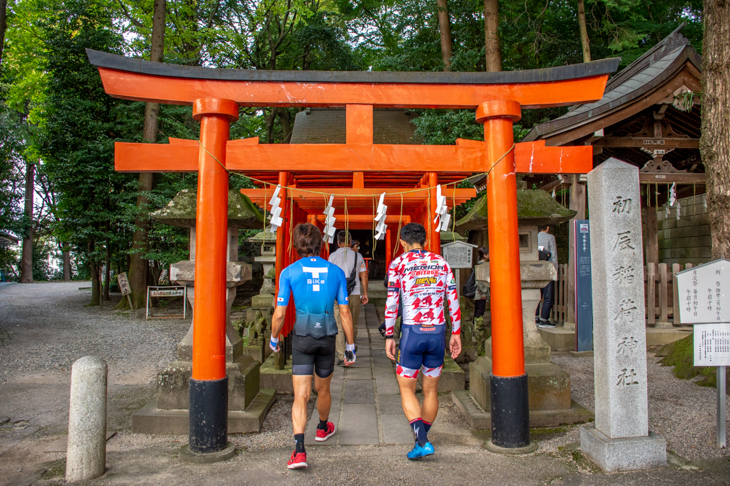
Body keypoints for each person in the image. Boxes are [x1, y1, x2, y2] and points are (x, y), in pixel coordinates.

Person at [269, 223, 356, 470]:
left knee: (301, 395)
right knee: (323, 389)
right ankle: (322, 427)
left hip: (303, 337)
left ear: (296, 245)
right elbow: (346, 312)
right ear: (321, 244)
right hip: (327, 336)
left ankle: (299, 452)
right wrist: (350, 346)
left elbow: (280, 314)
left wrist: (274, 338)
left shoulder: (289, 272)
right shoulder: (335, 271)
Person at [384, 223, 461, 460]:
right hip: (437, 331)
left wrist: (389, 335)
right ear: (425, 241)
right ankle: (421, 440)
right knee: (431, 391)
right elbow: (453, 299)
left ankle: (422, 441)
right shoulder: (442, 263)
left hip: (412, 332)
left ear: (403, 243)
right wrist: (455, 333)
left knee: (406, 387)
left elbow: (392, 302)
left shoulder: (399, 264)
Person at [328, 230, 368, 365]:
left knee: (339, 324)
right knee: (353, 323)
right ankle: (350, 346)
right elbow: (364, 275)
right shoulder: (358, 256)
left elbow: (329, 277)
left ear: (338, 243)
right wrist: (365, 293)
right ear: (350, 242)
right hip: (355, 292)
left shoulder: (332, 257)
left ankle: (341, 354)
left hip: (337, 294)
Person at [536, 225, 558, 329]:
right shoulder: (550, 238)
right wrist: (555, 270)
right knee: (548, 296)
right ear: (547, 228)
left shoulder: (534, 237)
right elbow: (553, 255)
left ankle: (535, 317)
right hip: (546, 269)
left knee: (537, 295)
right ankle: (544, 319)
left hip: (535, 270)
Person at [473, 247, 490, 321]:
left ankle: (475, 327)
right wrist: (483, 293)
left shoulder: (480, 264)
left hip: (479, 292)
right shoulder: (483, 265)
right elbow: (480, 281)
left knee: (478, 310)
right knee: (480, 312)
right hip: (480, 292)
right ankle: (476, 328)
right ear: (485, 255)